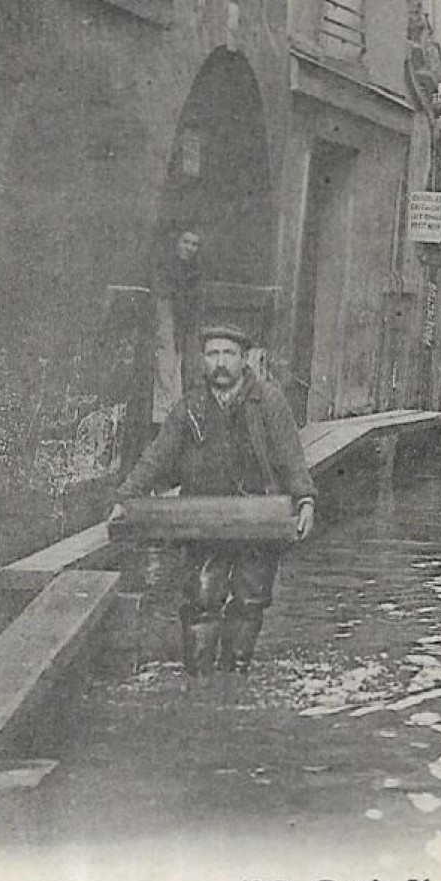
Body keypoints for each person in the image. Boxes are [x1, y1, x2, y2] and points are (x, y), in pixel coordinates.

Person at [113, 324, 316, 676]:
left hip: (258, 518)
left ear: (243, 359)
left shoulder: (268, 401)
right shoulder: (190, 407)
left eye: (229, 354)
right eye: (213, 354)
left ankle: (235, 674)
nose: (220, 363)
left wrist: (305, 501)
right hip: (204, 518)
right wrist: (126, 497)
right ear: (203, 360)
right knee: (201, 599)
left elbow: (290, 457)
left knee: (250, 600)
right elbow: (157, 456)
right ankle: (200, 680)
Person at [152, 229, 202, 426]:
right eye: (185, 242)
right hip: (166, 323)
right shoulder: (165, 270)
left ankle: (176, 412)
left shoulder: (195, 274)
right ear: (176, 242)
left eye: (194, 244)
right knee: (165, 363)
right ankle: (163, 415)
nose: (189, 248)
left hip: (183, 326)